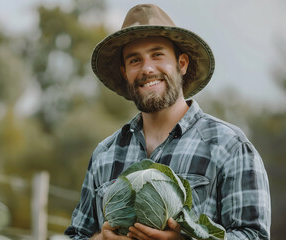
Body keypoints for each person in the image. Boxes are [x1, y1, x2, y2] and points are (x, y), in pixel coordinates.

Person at [65, 4, 271, 240]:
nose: (147, 68)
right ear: (125, 73)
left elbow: (254, 235)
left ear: (182, 64)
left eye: (157, 54)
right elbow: (76, 235)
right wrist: (100, 239)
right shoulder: (105, 154)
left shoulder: (230, 148)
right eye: (134, 60)